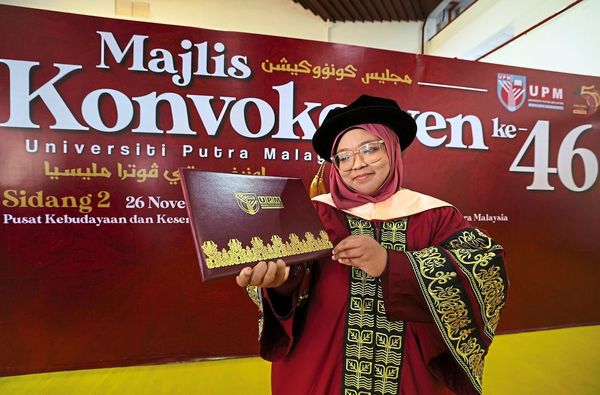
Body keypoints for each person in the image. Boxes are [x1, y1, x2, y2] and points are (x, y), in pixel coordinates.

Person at [236, 95, 508, 395]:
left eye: (369, 149)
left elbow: (485, 273)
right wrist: (279, 285)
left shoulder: (436, 215)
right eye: (344, 156)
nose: (357, 164)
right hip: (319, 365)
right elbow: (289, 281)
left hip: (409, 369)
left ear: (391, 148)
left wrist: (394, 264)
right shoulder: (313, 213)